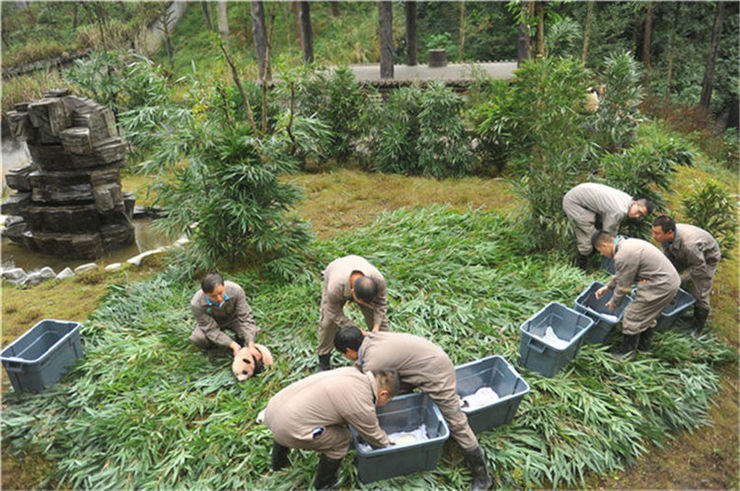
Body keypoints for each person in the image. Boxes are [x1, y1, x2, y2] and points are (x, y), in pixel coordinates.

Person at [334, 327, 492, 491]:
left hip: (436, 372)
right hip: (419, 364)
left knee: (457, 422)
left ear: (349, 350)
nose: (346, 358)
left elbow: (366, 396)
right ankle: (406, 416)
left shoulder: (374, 361)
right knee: (393, 393)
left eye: (344, 354)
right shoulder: (371, 339)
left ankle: (482, 475)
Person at [264, 367, 400, 490]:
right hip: (288, 427)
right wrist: (392, 447)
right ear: (383, 394)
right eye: (388, 400)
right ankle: (325, 485)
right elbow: (374, 437)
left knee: (294, 421)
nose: (383, 405)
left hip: (274, 409)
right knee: (342, 440)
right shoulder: (361, 402)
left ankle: (279, 464)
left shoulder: (352, 373)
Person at [592, 231, 680, 358]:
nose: (602, 254)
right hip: (667, 280)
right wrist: (607, 287)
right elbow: (624, 273)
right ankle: (643, 347)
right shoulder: (627, 245)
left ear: (605, 245)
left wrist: (614, 303)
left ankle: (626, 353)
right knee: (645, 314)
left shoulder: (623, 255)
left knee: (632, 316)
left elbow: (624, 286)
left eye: (600, 251)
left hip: (660, 285)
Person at [651, 215, 721, 337]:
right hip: (682, 253)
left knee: (700, 293)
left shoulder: (690, 245)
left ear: (670, 232)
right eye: (653, 232)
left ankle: (697, 327)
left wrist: (679, 281)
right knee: (665, 276)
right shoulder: (666, 238)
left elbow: (700, 269)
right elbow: (667, 257)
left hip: (706, 258)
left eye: (657, 233)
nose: (654, 236)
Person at [317, 255, 389, 371]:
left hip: (358, 263)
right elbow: (333, 311)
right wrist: (355, 329)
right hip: (336, 270)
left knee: (378, 320)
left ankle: (385, 348)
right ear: (352, 292)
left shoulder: (378, 281)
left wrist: (376, 327)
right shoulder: (335, 287)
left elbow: (381, 305)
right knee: (327, 323)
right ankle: (323, 358)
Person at [563, 182, 654, 270]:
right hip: (574, 203)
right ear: (635, 204)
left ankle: (589, 261)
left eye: (641, 216)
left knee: (598, 233)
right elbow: (608, 233)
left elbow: (612, 225)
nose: (637, 216)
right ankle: (578, 268)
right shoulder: (620, 210)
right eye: (638, 212)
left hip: (583, 199)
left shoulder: (627, 200)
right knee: (589, 237)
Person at [189, 273, 262, 362]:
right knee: (198, 338)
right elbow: (210, 330)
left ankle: (242, 341)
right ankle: (216, 348)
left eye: (220, 293)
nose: (219, 298)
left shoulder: (236, 290)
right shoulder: (196, 304)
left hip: (234, 319)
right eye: (213, 296)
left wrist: (251, 344)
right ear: (205, 293)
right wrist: (232, 345)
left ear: (224, 286)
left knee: (252, 332)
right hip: (212, 322)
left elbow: (245, 318)